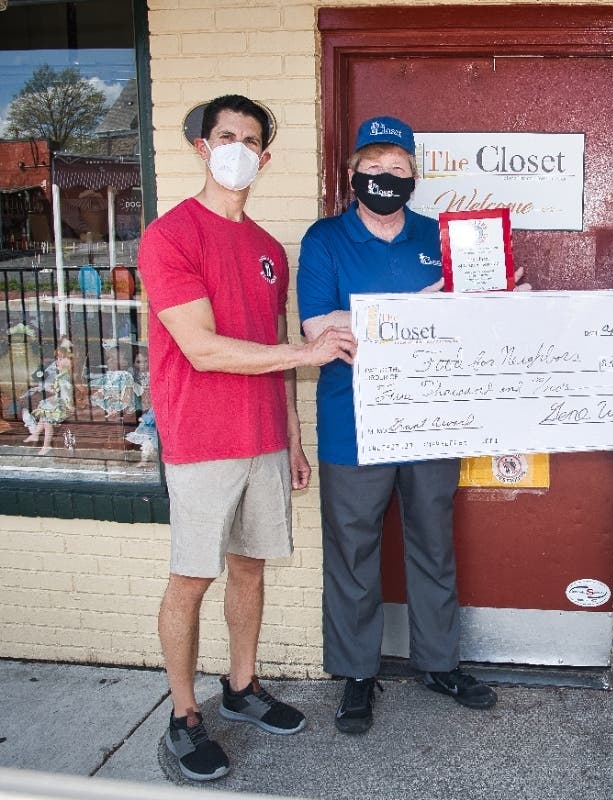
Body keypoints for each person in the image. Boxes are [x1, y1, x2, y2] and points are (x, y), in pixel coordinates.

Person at [138, 94, 357, 782]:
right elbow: (202, 349)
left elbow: (269, 352)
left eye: (250, 139)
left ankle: (241, 686)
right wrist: (304, 354)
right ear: (202, 146)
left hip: (263, 437)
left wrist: (292, 440)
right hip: (201, 438)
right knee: (192, 577)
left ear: (263, 158)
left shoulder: (267, 250)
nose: (236, 148)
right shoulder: (170, 235)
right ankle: (183, 716)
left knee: (251, 566)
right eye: (224, 135)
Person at [297, 115, 499, 735]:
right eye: (374, 167)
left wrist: (493, 302)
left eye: (398, 168)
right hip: (349, 423)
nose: (385, 178)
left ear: (415, 174)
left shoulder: (440, 236)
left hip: (431, 421)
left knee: (433, 542)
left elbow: (471, 322)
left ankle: (439, 663)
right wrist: (420, 313)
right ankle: (358, 674)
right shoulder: (324, 239)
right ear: (353, 173)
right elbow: (318, 331)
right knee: (352, 551)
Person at [22, 338, 75, 454]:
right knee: (43, 410)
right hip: (61, 401)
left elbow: (66, 395)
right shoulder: (61, 376)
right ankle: (36, 434)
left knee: (47, 420)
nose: (57, 362)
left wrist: (66, 404)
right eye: (57, 359)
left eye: (61, 359)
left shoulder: (64, 378)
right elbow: (59, 393)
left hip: (64, 406)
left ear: (69, 362)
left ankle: (46, 445)